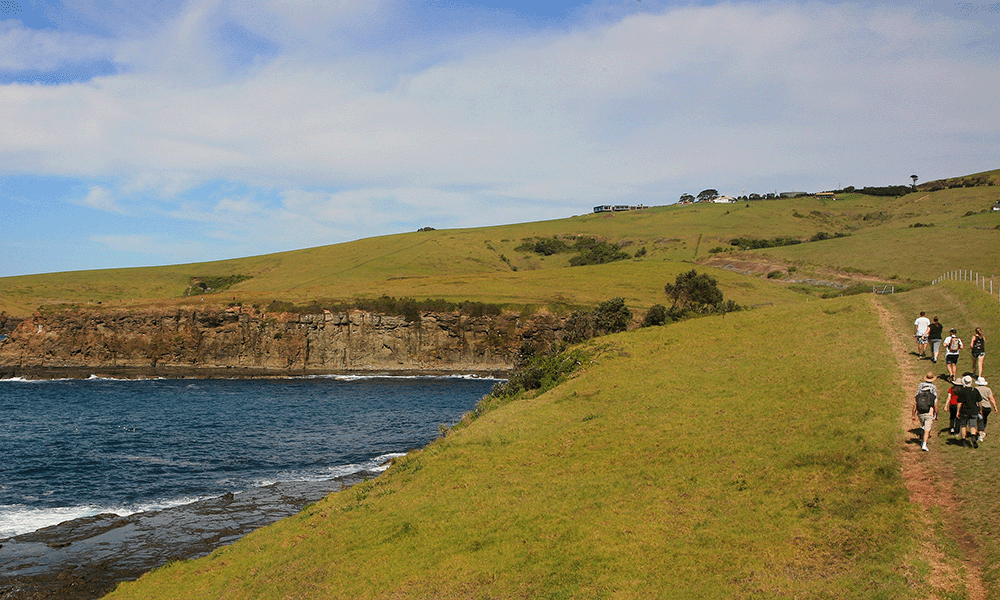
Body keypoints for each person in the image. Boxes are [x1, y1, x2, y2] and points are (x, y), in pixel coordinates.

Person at [912, 372, 938, 451]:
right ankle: (924, 444)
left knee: (923, 425)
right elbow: (935, 402)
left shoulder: (921, 385)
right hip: (929, 410)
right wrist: (936, 414)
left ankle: (923, 438)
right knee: (927, 429)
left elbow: (915, 399)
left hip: (920, 410)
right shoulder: (933, 388)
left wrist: (913, 414)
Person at [956, 375, 983, 448]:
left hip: (964, 411)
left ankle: (964, 441)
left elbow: (959, 403)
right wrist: (980, 410)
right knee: (973, 426)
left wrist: (958, 411)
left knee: (963, 426)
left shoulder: (962, 391)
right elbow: (979, 402)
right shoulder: (975, 390)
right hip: (974, 410)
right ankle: (973, 437)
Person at [976, 376, 997, 442]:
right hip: (987, 407)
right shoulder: (988, 389)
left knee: (979, 420)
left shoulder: (976, 389)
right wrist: (995, 407)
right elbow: (991, 398)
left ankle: (980, 434)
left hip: (979, 406)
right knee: (984, 418)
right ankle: (982, 430)